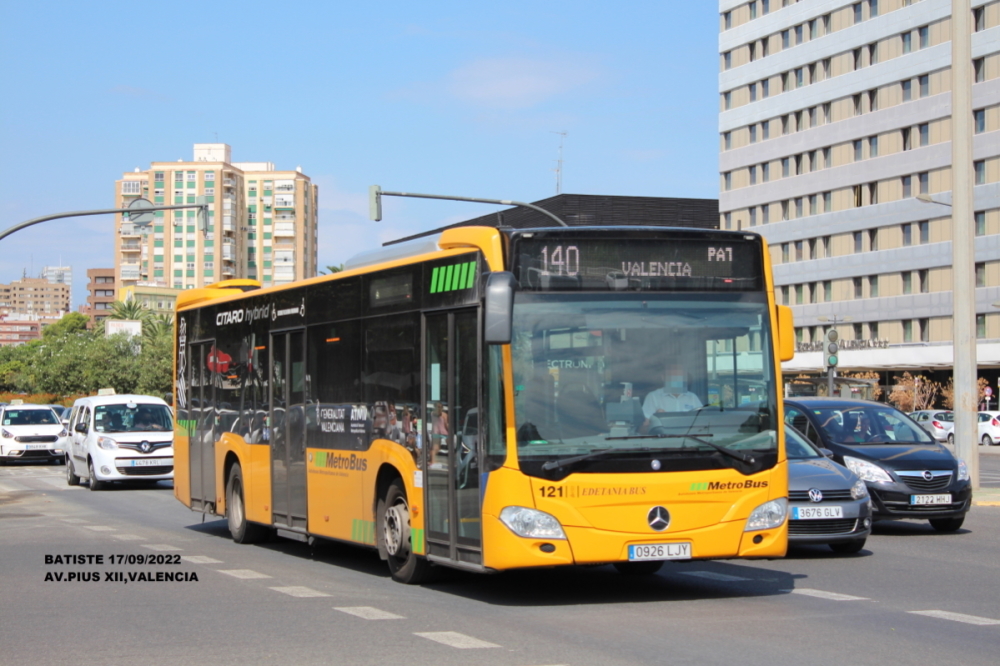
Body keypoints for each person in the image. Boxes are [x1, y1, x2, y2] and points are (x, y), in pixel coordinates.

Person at [642, 362, 702, 431]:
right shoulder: (653, 397)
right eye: (672, 376)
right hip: (663, 440)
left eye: (679, 375)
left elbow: (702, 425)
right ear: (663, 377)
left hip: (691, 440)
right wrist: (656, 419)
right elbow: (643, 430)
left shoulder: (692, 397)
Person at [430, 401, 449, 468]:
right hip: (444, 433)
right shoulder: (444, 415)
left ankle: (433, 462)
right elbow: (446, 425)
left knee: (435, 448)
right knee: (448, 447)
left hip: (435, 432)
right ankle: (448, 462)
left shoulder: (432, 413)